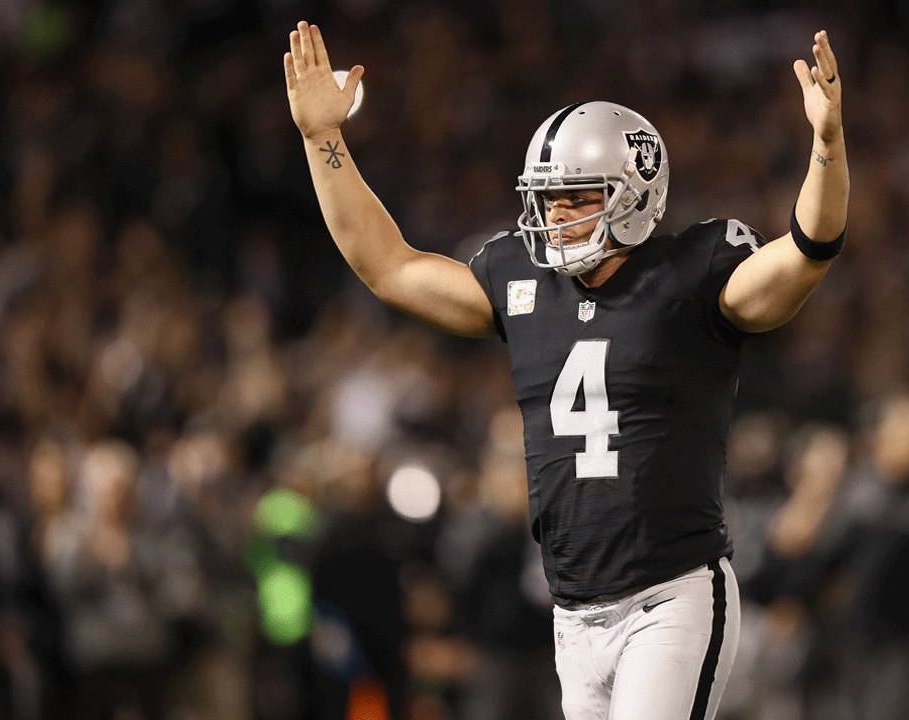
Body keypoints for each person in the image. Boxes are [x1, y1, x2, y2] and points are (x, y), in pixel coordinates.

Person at [283, 19, 848, 720]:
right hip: (573, 611)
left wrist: (827, 146)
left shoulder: (691, 272)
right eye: (548, 196)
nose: (556, 213)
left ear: (634, 193)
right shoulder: (522, 280)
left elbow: (806, 252)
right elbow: (388, 266)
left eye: (577, 195)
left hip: (669, 595)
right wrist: (323, 139)